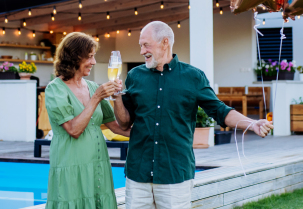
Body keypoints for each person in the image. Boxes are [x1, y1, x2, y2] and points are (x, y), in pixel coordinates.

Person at [114, 21, 273, 209]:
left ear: (165, 42)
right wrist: (116, 97)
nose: (141, 51)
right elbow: (124, 124)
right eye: (141, 45)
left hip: (174, 173)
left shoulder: (193, 77)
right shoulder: (134, 76)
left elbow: (220, 111)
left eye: (146, 45)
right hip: (137, 173)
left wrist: (251, 124)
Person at [45, 32, 129, 209]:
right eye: (89, 57)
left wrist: (117, 97)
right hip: (71, 165)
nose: (94, 62)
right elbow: (74, 130)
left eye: (94, 56)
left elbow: (116, 127)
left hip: (97, 164)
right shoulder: (55, 89)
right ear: (74, 56)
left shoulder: (92, 87)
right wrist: (96, 97)